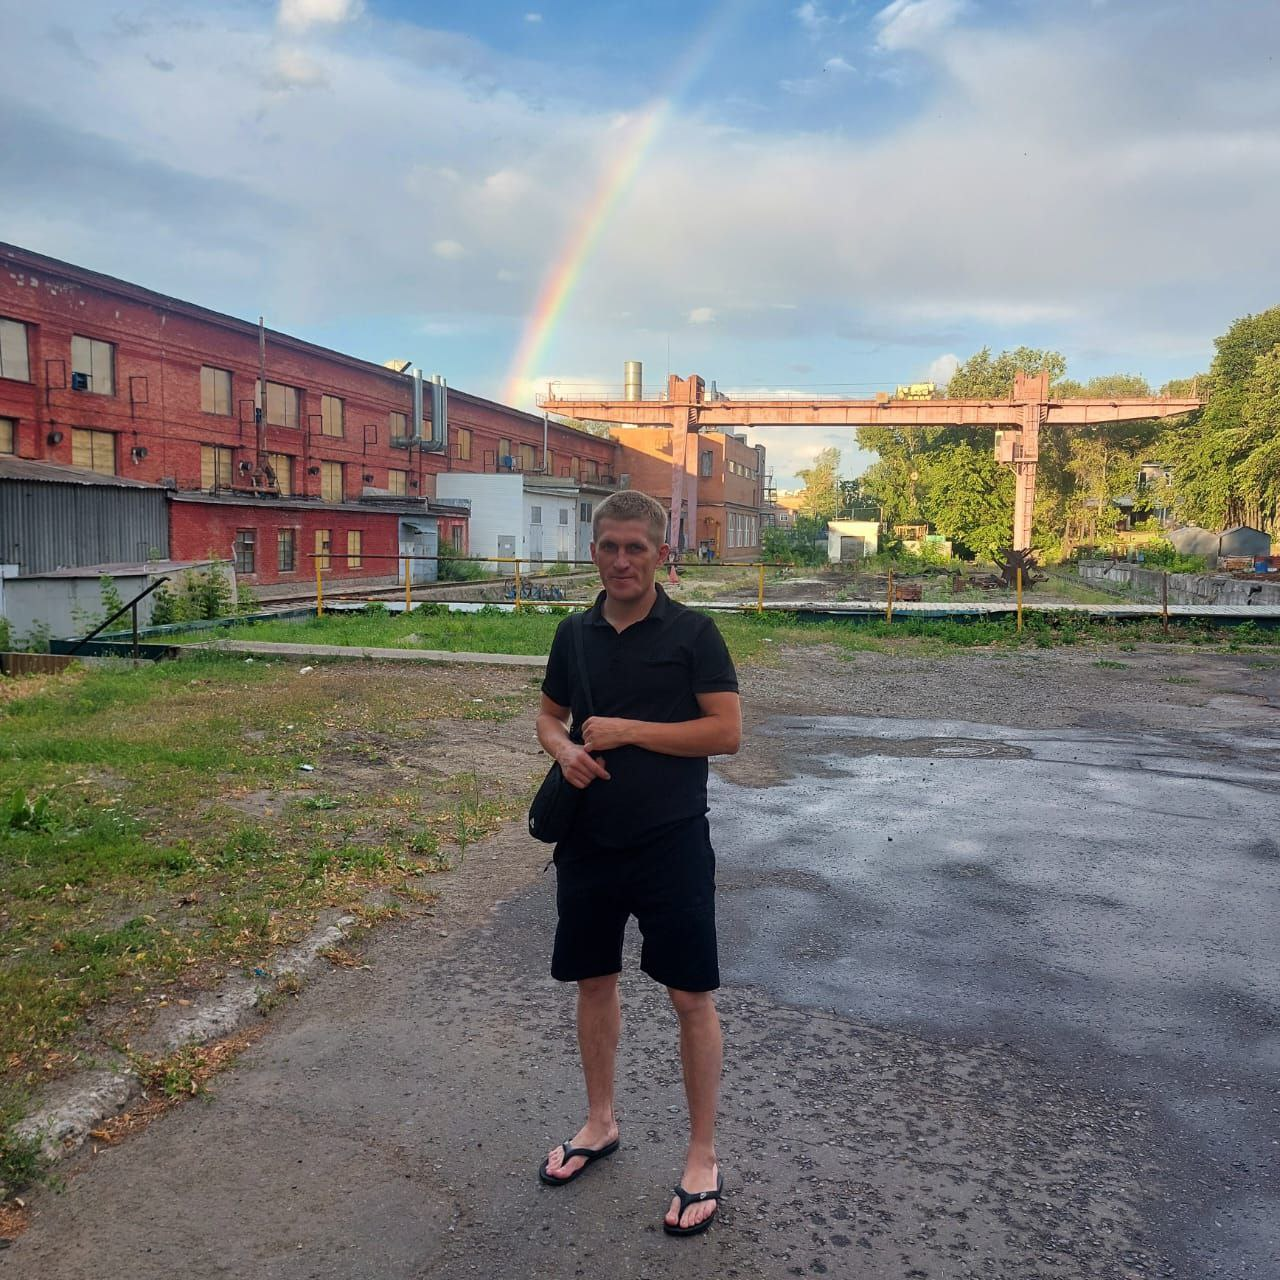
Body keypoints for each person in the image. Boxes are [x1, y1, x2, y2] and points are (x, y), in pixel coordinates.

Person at [535, 489, 742, 1237]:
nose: (622, 561)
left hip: (671, 842)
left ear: (661, 554)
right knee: (594, 982)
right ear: (593, 551)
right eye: (610, 547)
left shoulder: (694, 634)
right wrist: (564, 751)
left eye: (636, 548)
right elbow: (549, 717)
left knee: (690, 997)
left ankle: (702, 1156)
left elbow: (725, 732)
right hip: (589, 842)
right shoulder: (574, 633)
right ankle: (599, 1123)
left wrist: (630, 730)